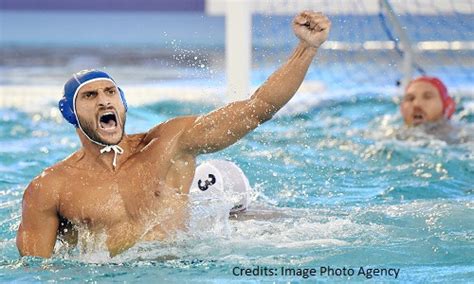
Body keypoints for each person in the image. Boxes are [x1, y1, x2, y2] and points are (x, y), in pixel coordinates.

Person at [16, 11, 331, 258]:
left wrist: (306, 48)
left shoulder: (169, 144)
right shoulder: (50, 189)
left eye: (110, 92)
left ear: (122, 102)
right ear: (70, 113)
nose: (104, 100)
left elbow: (257, 108)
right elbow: (34, 270)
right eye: (90, 96)